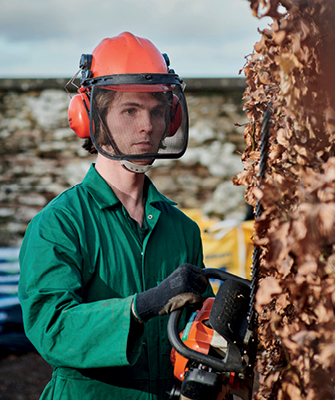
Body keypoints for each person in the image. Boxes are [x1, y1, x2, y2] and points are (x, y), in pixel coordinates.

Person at [18, 32, 214, 400]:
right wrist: (143, 306)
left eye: (157, 111)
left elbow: (194, 333)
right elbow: (52, 329)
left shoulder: (182, 229)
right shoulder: (59, 225)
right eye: (130, 110)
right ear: (90, 117)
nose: (147, 125)